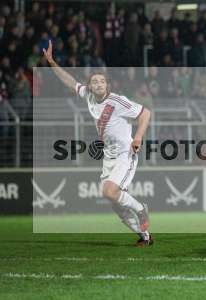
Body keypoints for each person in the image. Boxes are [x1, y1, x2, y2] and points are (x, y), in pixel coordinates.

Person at [42, 40, 153, 246]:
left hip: (125, 153)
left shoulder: (117, 101)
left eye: (102, 81)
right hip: (108, 156)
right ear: (90, 86)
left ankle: (140, 209)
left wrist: (138, 137)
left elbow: (146, 113)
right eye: (95, 82)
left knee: (109, 192)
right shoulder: (89, 97)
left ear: (107, 85)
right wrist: (51, 62)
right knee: (115, 203)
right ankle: (144, 236)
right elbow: (68, 80)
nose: (99, 84)